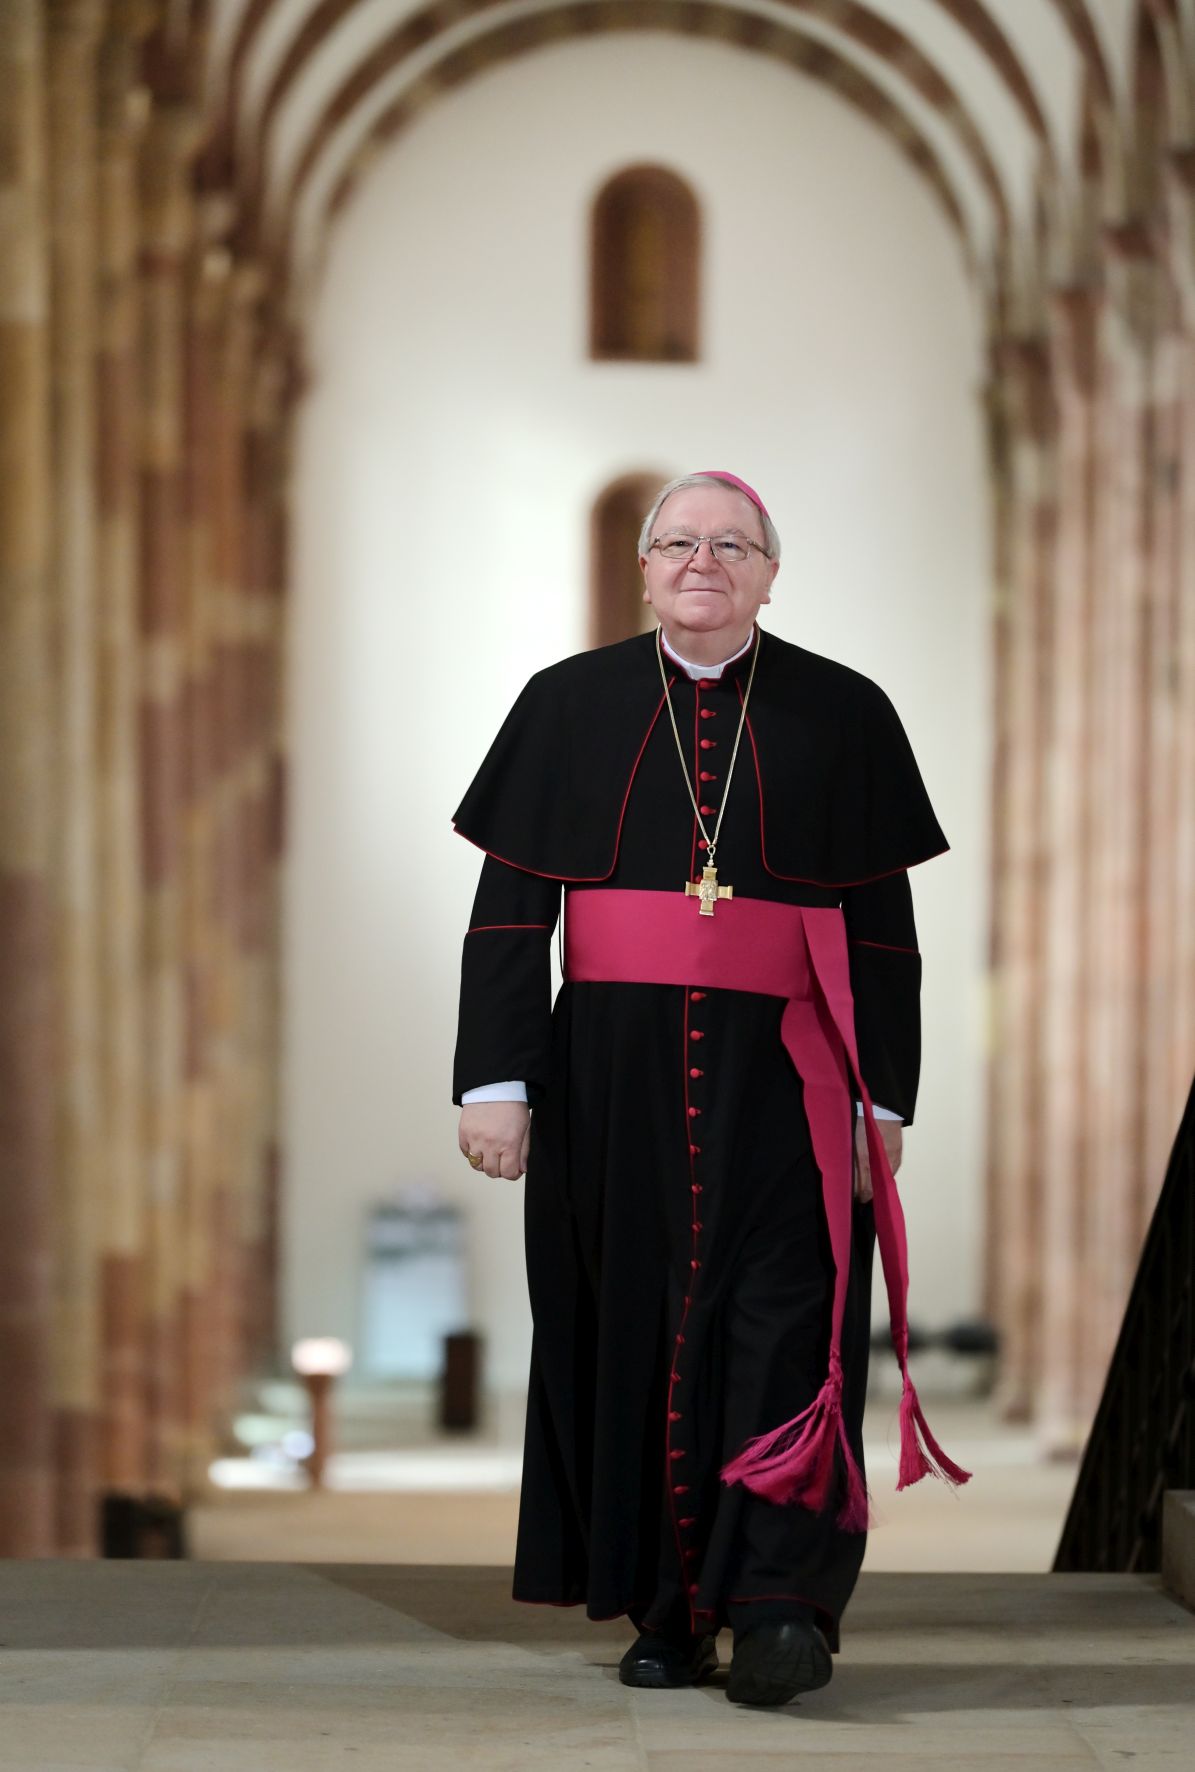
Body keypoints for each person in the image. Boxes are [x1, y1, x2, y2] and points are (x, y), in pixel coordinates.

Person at [452, 471, 966, 1708]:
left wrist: (881, 1101)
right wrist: (496, 1079)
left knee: (789, 1321)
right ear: (644, 568)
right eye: (679, 542)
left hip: (790, 1069)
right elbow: (511, 915)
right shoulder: (565, 703)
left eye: (732, 545)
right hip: (606, 1073)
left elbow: (882, 931)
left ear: (769, 574)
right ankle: (668, 1609)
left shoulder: (844, 710)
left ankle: (778, 1601)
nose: (703, 561)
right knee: (628, 1323)